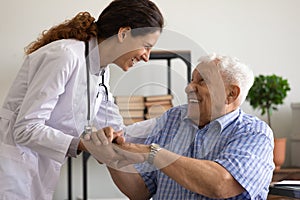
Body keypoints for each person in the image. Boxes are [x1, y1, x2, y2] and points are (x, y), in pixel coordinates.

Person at [0, 0, 164, 199]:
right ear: (123, 34)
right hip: (12, 166)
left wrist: (165, 126)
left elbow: (117, 129)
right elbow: (26, 128)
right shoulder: (65, 55)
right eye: (146, 46)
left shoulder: (101, 72)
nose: (147, 57)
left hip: (38, 166)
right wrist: (85, 144)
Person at [83, 53, 275, 200]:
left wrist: (153, 153)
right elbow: (140, 191)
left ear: (231, 94)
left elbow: (221, 183)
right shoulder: (174, 119)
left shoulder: (254, 133)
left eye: (202, 81)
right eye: (192, 80)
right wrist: (112, 159)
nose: (189, 87)